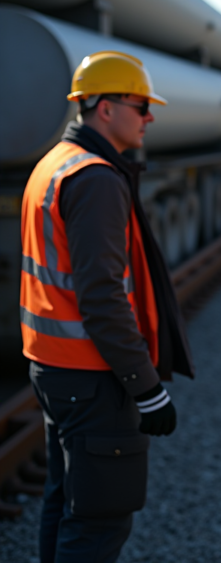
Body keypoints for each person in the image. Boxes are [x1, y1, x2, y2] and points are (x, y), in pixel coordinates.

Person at [21, 50, 194, 563]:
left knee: (66, 504)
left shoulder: (53, 164)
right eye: (141, 106)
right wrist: (147, 388)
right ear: (105, 108)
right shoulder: (95, 178)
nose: (149, 117)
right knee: (98, 523)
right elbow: (102, 297)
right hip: (92, 377)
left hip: (52, 368)